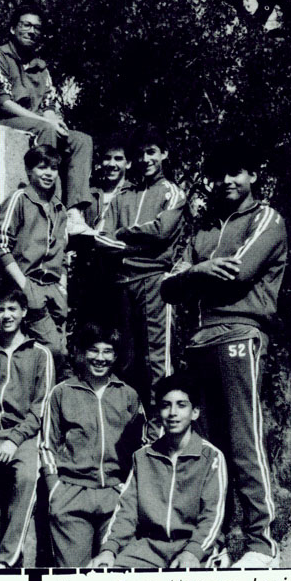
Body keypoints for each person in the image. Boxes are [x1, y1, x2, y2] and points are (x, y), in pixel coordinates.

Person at [161, 139, 287, 569]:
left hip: (240, 334)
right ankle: (211, 542)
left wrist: (190, 277)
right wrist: (196, 270)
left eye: (236, 172)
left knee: (243, 439)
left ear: (252, 175)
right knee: (208, 449)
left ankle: (261, 543)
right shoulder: (203, 228)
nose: (227, 181)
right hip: (199, 342)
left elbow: (240, 273)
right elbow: (167, 286)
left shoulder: (267, 218)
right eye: (219, 174)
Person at [90, 373, 227, 569]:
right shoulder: (143, 457)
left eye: (181, 405)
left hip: (195, 546)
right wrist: (109, 549)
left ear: (195, 412)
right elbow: (126, 511)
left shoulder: (211, 457)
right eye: (166, 405)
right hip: (149, 547)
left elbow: (213, 515)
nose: (173, 413)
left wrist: (192, 552)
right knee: (109, 577)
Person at [105, 125, 187, 441]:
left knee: (159, 360)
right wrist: (134, 244)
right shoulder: (123, 197)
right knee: (124, 359)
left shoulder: (173, 193)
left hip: (156, 283)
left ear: (164, 154)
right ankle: (128, 429)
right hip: (125, 284)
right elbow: (104, 240)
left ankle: (161, 431)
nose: (145, 159)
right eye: (140, 154)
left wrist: (125, 237)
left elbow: (162, 232)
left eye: (151, 152)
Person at [40, 324, 146, 567]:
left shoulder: (128, 395)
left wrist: (127, 488)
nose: (100, 358)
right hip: (71, 495)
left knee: (116, 574)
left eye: (107, 351)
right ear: (80, 352)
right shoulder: (61, 393)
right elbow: (47, 445)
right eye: (93, 350)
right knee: (73, 580)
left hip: (116, 497)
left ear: (116, 356)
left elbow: (142, 446)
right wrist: (55, 489)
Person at [0, 4, 93, 235]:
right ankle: (53, 206)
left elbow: (49, 104)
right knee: (45, 129)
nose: (32, 31)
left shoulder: (41, 67)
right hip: (3, 121)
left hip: (37, 123)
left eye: (37, 28)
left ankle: (74, 212)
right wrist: (46, 122)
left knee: (80, 140)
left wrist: (52, 118)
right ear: (13, 29)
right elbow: (3, 102)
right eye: (26, 25)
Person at [0, 285, 54, 568]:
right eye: (0, 310)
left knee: (28, 475)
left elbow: (41, 407)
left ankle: (7, 556)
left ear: (23, 312)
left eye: (12, 309)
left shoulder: (40, 354)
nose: (6, 315)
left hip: (24, 437)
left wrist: (14, 441)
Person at [0, 144, 68, 368]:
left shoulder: (59, 209)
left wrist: (62, 286)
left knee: (51, 353)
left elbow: (62, 254)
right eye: (42, 167)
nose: (48, 173)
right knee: (54, 352)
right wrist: (24, 285)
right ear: (28, 170)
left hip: (54, 289)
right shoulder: (20, 199)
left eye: (53, 168)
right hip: (27, 285)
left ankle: (47, 400)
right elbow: (1, 244)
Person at [71, 133, 134, 329]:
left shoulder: (135, 193)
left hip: (120, 276)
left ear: (128, 163)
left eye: (118, 158)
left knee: (121, 333)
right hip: (88, 275)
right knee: (88, 332)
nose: (112, 164)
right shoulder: (88, 193)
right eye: (107, 158)